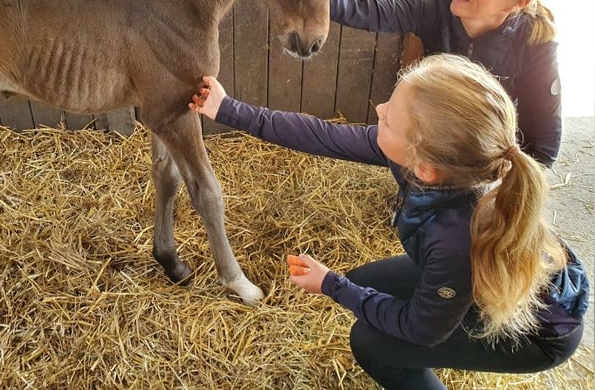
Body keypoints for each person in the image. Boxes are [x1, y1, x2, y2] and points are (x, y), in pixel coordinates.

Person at [188, 53, 588, 390]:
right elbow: (318, 135)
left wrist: (331, 284)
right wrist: (228, 109)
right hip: (480, 280)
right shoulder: (443, 165)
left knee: (372, 341)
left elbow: (423, 330)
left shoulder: (455, 237)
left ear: (425, 169)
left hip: (535, 333)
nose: (379, 112)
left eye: (390, 119)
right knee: (367, 283)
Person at [329, 0, 560, 167]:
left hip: (485, 164)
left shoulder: (535, 46)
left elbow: (543, 147)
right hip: (431, 150)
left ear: (517, 2)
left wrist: (501, 191)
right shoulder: (435, 10)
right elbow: (365, 8)